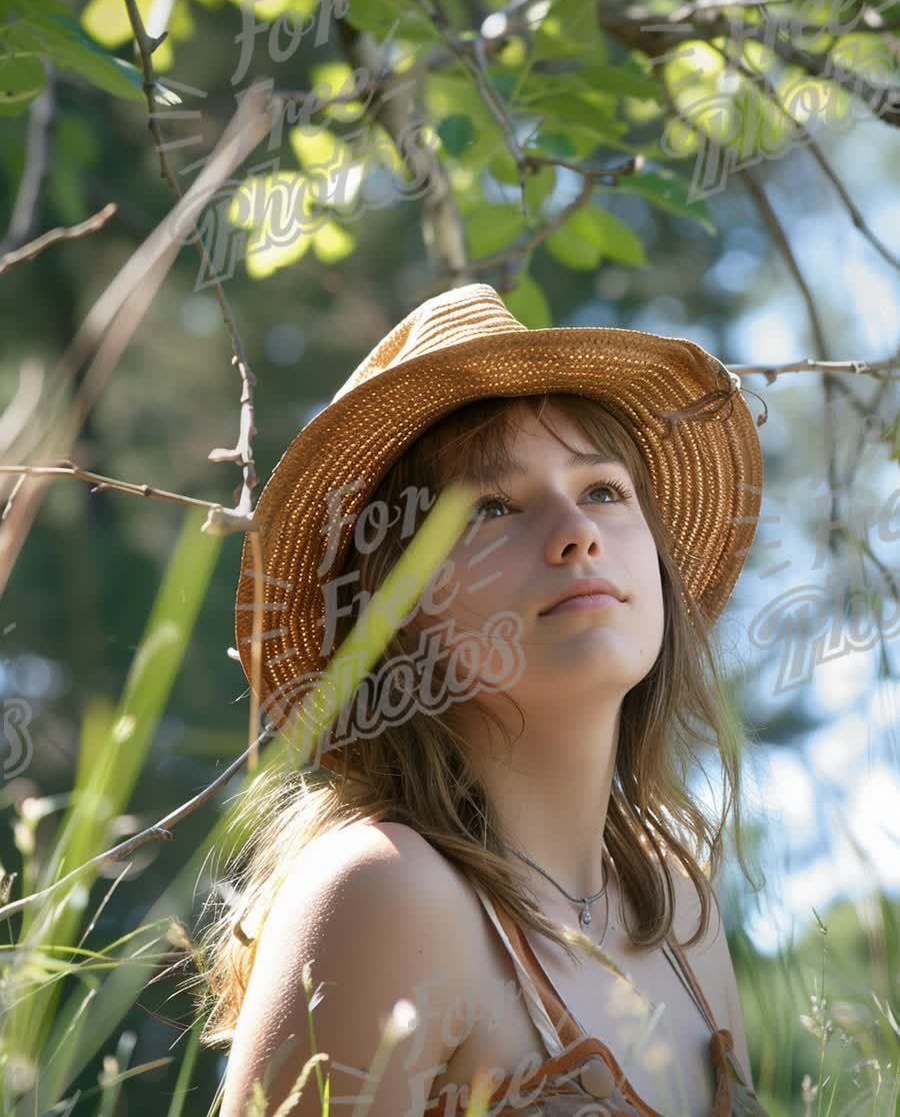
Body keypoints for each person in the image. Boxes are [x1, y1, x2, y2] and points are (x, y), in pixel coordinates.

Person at [192, 283, 771, 1116]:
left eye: (605, 488)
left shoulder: (678, 907)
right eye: (493, 507)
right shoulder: (382, 894)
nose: (579, 531)